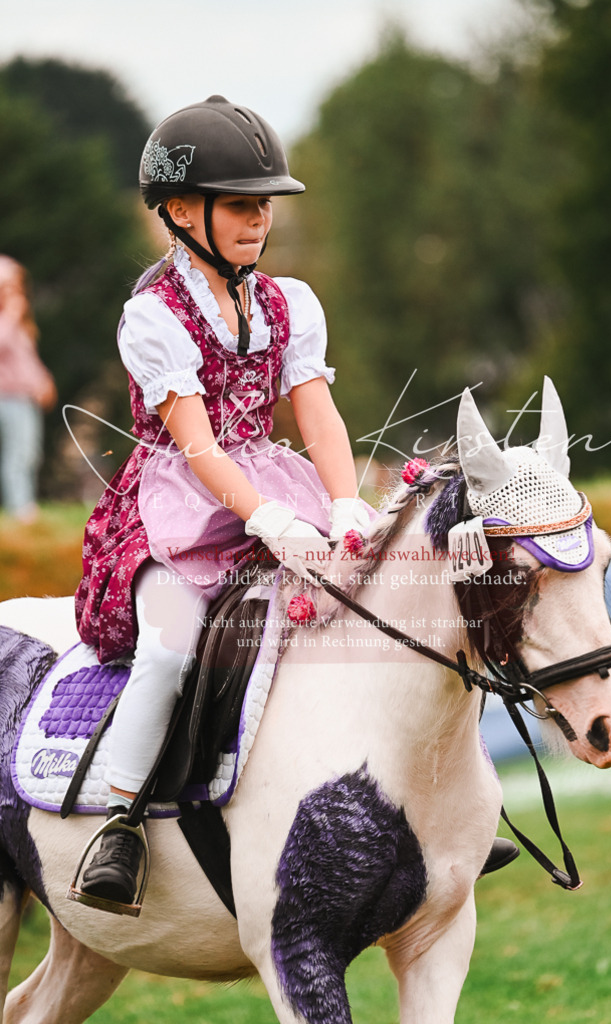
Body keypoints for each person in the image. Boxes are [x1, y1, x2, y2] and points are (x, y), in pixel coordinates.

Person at [73, 96, 370, 912]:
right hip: (176, 510)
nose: (259, 220)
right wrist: (265, 518)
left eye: (264, 205)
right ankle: (121, 824)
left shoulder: (289, 303)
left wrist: (346, 504)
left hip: (271, 482)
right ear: (180, 211)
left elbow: (317, 414)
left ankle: (412, 799)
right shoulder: (153, 317)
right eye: (241, 204)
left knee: (370, 612)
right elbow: (199, 448)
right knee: (170, 649)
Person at [0, 257, 56, 522]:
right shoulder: (9, 320)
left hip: (22, 398)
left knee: (27, 453)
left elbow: (26, 360)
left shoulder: (20, 323)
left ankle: (23, 507)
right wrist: (11, 315)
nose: (16, 292)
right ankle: (20, 508)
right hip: (6, 397)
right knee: (18, 454)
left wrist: (43, 380)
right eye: (8, 285)